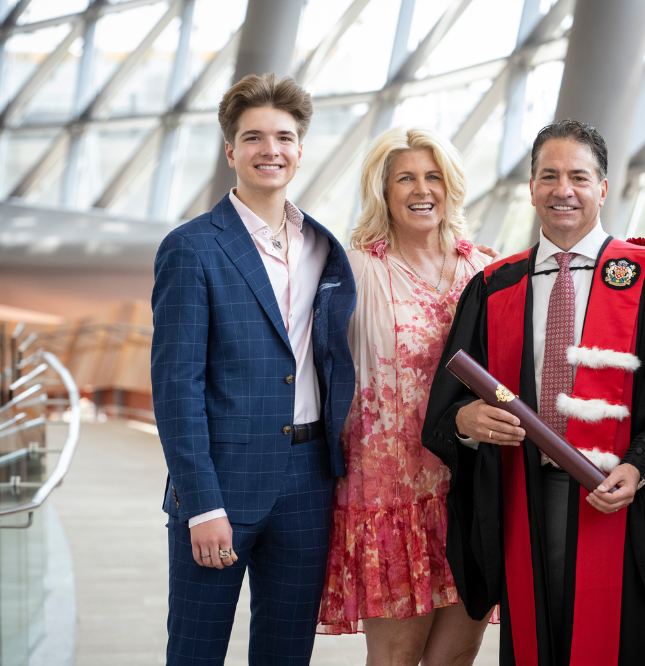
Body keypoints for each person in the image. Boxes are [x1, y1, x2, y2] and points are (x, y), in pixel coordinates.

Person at [422, 119, 645, 666]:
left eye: (579, 176)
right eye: (548, 176)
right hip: (524, 497)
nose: (562, 190)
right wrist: (468, 421)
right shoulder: (494, 286)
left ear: (603, 188)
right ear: (530, 189)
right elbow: (446, 407)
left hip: (623, 502)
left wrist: (642, 466)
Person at [151, 73, 355, 664]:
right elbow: (176, 386)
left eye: (285, 137)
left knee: (286, 653)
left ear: (300, 148)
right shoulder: (191, 248)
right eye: (255, 137)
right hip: (221, 483)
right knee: (196, 650)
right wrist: (202, 505)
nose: (272, 150)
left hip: (309, 481)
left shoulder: (324, 245)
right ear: (230, 150)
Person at [315, 127, 492, 665]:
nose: (422, 189)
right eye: (406, 178)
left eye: (433, 176)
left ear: (451, 185)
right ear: (383, 191)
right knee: (396, 659)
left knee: (455, 659)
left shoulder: (485, 270)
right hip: (388, 495)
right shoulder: (356, 271)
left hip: (466, 490)